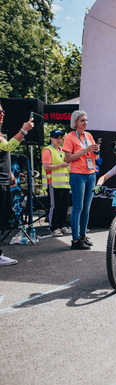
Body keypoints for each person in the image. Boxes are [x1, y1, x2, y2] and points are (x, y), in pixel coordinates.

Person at [0, 103, 34, 266]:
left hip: (4, 180)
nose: (2, 114)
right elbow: (9, 146)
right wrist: (24, 130)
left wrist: (10, 173)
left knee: (3, 219)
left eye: (2, 111)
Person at [63, 110, 100, 250]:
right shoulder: (70, 137)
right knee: (77, 207)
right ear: (75, 122)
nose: (85, 122)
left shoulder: (88, 135)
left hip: (91, 173)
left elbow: (95, 156)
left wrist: (96, 150)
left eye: (86, 120)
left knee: (87, 208)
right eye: (82, 120)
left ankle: (83, 236)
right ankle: (75, 240)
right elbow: (68, 159)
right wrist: (85, 150)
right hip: (78, 174)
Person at [42, 129, 71, 236]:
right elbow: (46, 166)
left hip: (65, 183)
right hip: (53, 182)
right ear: (51, 138)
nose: (59, 140)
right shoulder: (47, 150)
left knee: (64, 206)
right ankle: (53, 226)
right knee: (55, 206)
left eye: (60, 138)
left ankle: (62, 225)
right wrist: (61, 165)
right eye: (56, 138)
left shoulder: (62, 150)